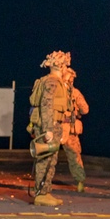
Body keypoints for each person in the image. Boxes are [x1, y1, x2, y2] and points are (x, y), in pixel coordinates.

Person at [27, 51, 71, 206]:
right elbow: (46, 105)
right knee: (45, 160)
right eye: (65, 64)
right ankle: (41, 194)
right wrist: (48, 130)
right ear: (60, 66)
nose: (67, 67)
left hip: (53, 124)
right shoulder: (52, 81)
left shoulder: (54, 81)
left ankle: (45, 192)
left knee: (50, 161)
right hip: (50, 125)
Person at [60, 67, 89, 192]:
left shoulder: (57, 91)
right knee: (74, 156)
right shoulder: (75, 92)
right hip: (67, 129)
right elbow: (85, 109)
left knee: (49, 156)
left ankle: (43, 182)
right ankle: (80, 181)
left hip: (58, 128)